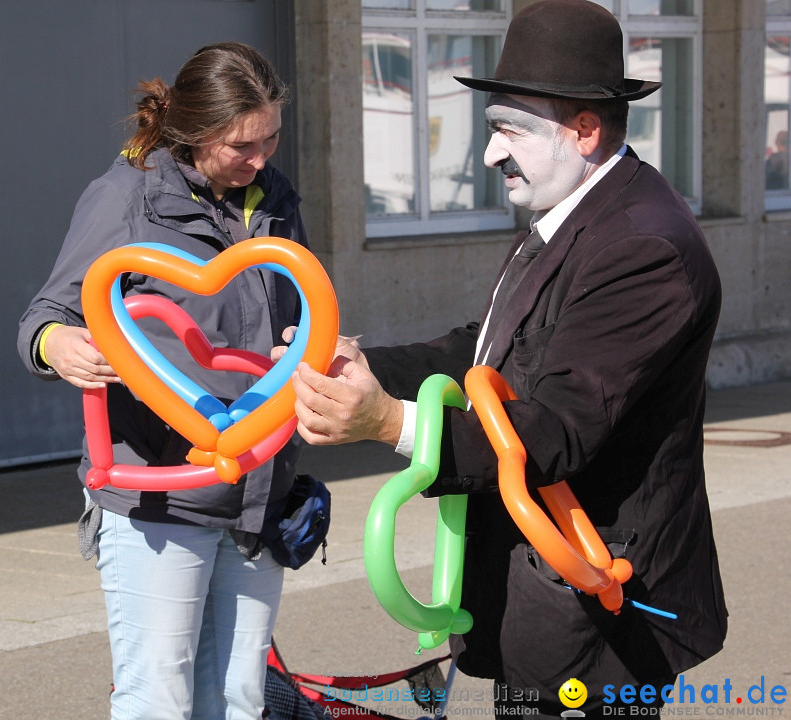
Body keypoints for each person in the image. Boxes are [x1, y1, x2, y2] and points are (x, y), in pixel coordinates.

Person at [279, 1, 727, 717]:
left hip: (602, 621)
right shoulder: (574, 212)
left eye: (507, 130)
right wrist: (359, 361)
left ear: (583, 130)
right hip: (547, 608)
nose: (488, 155)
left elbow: (551, 433)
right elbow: (483, 350)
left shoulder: (643, 248)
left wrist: (389, 422)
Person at [18, 42, 307, 719]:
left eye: (271, 138)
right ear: (197, 133)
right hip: (159, 495)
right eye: (243, 144)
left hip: (255, 492)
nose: (261, 157)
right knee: (160, 701)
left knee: (240, 697)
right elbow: (47, 314)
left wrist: (307, 349)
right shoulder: (126, 198)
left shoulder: (276, 196)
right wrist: (56, 345)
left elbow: (294, 311)